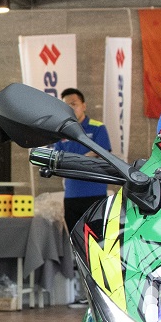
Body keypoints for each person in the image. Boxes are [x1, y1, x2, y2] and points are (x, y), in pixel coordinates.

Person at [51, 88, 112, 230]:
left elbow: (99, 152)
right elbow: (57, 159)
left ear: (83, 106)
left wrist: (71, 162)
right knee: (75, 236)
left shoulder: (97, 128)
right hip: (71, 194)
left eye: (74, 104)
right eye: (67, 105)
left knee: (98, 237)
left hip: (95, 193)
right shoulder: (62, 132)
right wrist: (82, 159)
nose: (71, 108)